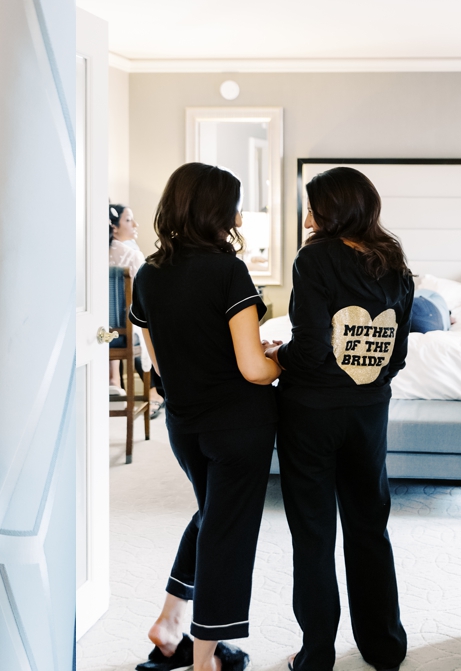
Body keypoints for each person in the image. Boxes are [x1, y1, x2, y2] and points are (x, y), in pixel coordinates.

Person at [130, 163, 280, 671]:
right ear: (218, 210)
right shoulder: (228, 272)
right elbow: (254, 369)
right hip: (238, 425)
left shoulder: (147, 275)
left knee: (213, 518)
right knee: (227, 534)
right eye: (234, 204)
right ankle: (205, 659)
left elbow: (160, 364)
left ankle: (170, 625)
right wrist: (283, 356)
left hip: (184, 426)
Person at [264, 167, 413, 671]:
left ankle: (316, 657)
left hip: (311, 413)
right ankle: (385, 646)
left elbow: (308, 347)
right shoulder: (395, 263)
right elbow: (396, 353)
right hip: (370, 412)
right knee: (370, 526)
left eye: (312, 206)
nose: (307, 217)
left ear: (333, 209)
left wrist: (278, 354)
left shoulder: (316, 256)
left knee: (313, 532)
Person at [108, 203, 165, 416]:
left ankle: (116, 382)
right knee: (148, 327)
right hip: (128, 330)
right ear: (114, 227)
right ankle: (154, 391)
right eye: (129, 220)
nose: (135, 224)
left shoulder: (92, 253)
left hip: (106, 331)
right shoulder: (131, 255)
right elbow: (145, 298)